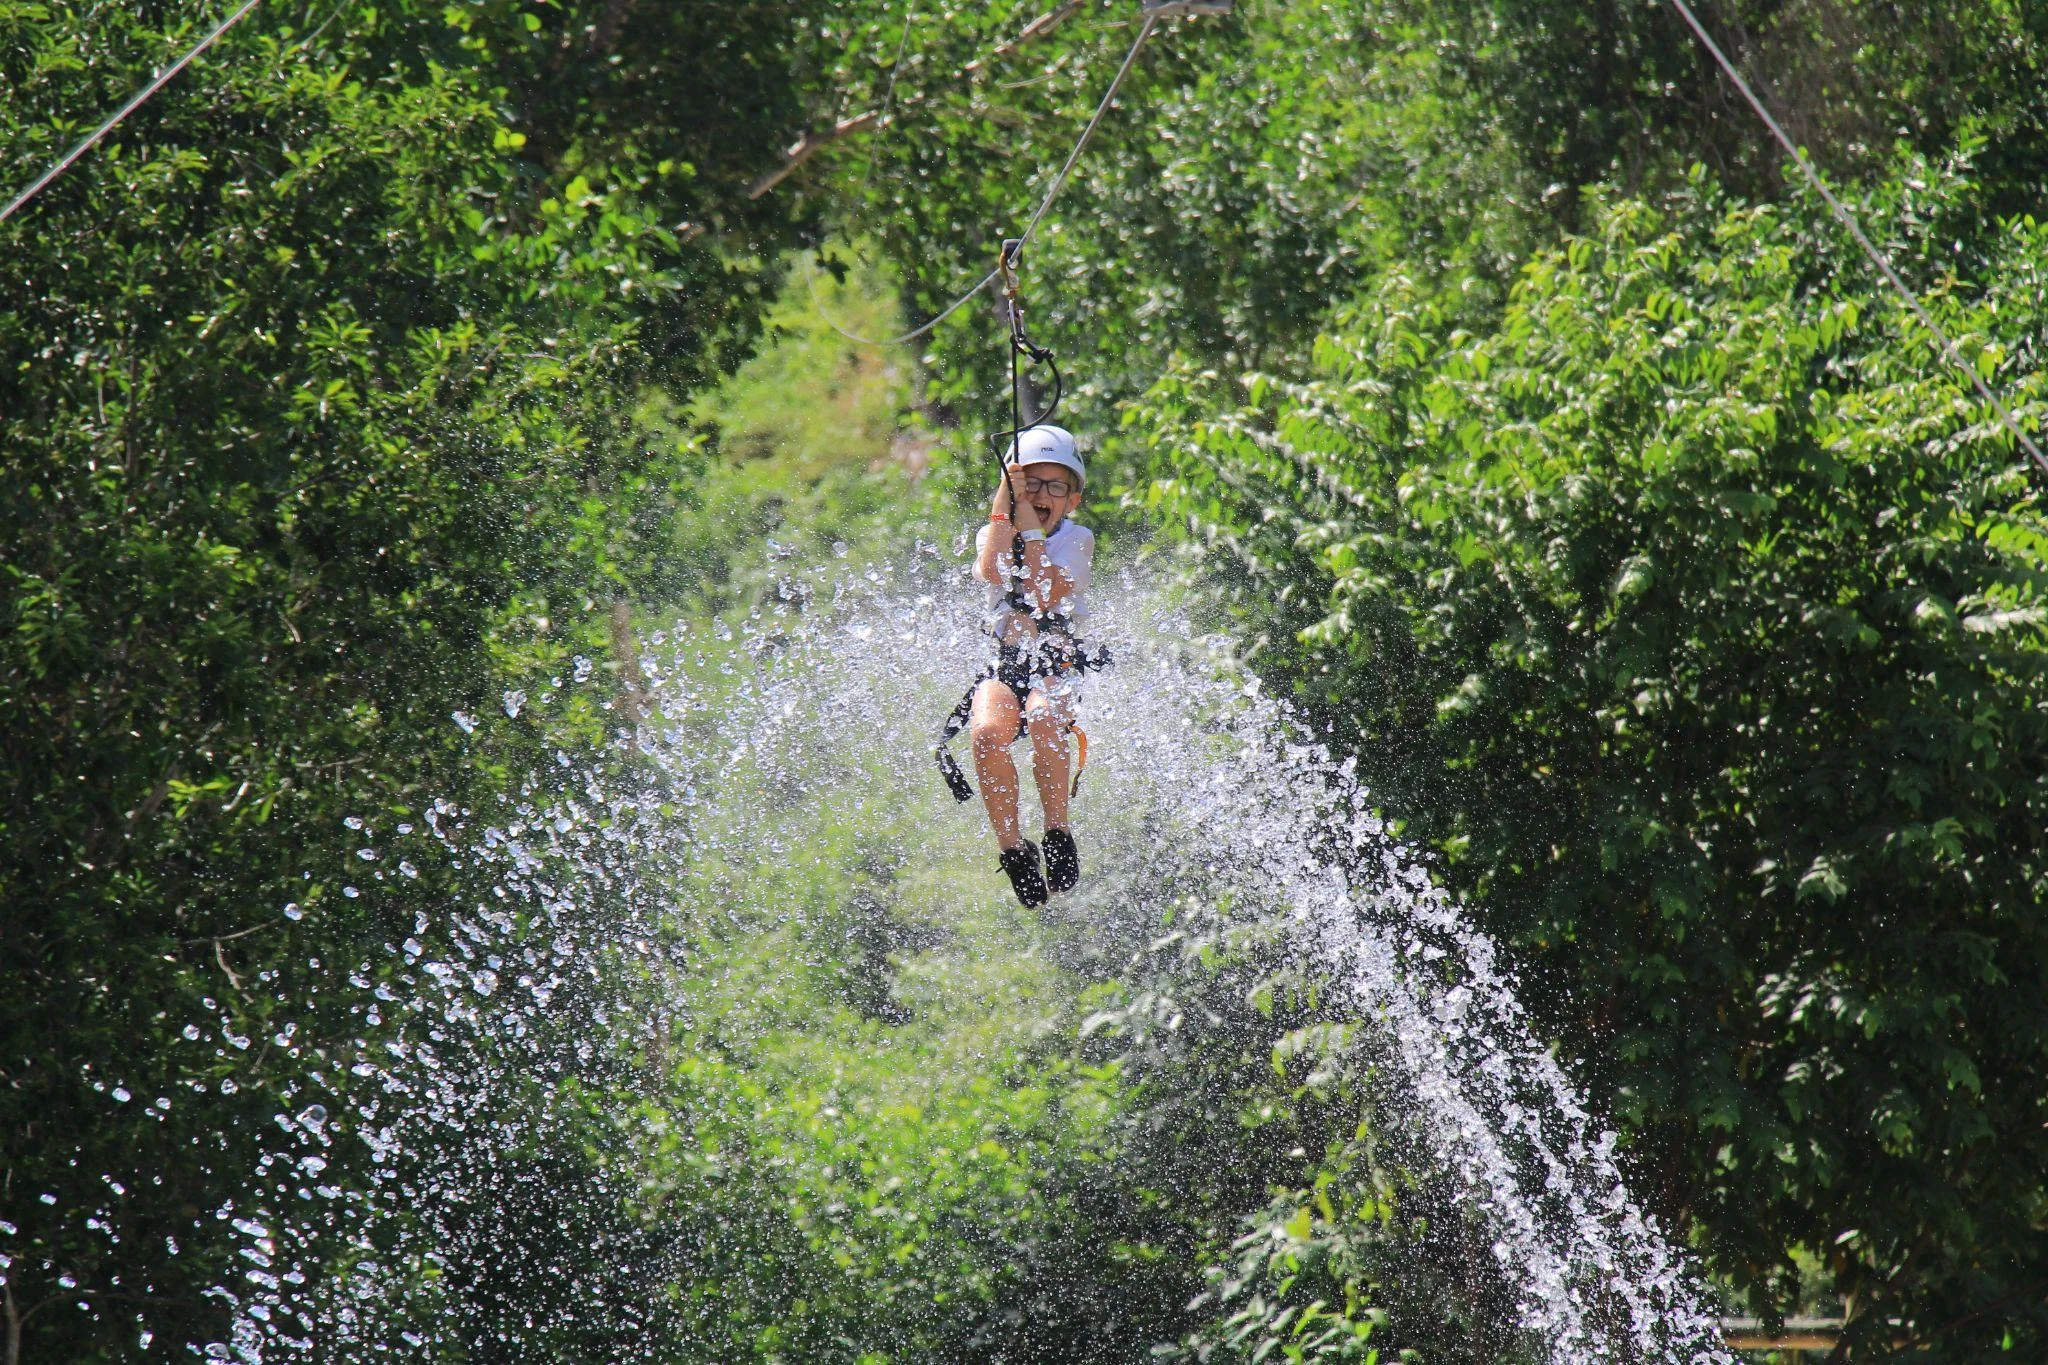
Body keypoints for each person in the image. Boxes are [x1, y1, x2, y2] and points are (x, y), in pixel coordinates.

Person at [969, 424, 1096, 907]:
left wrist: (1032, 530)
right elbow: (995, 571)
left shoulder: (1077, 539)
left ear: (1072, 499)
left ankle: (1057, 833)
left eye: (1055, 487)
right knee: (986, 734)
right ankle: (1014, 851)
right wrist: (1007, 506)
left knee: (1044, 717)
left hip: (1056, 664)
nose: (1042, 495)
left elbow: (1044, 591)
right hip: (1006, 665)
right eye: (1031, 485)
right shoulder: (991, 534)